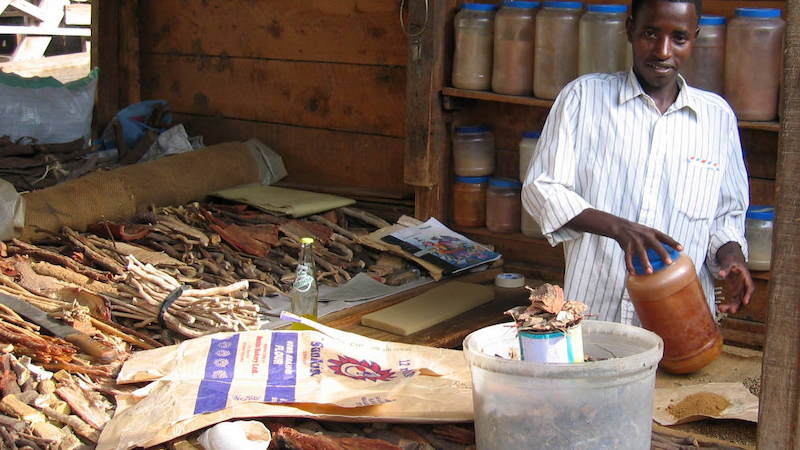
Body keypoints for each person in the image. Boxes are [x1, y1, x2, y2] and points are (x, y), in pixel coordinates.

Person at [521, 0, 755, 324]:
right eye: (650, 33)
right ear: (630, 29)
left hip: (680, 326)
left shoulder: (717, 118)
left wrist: (732, 258)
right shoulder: (584, 98)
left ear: (695, 38)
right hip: (595, 320)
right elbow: (541, 187)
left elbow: (725, 215)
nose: (662, 51)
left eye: (679, 38)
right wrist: (618, 228)